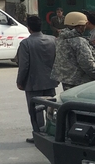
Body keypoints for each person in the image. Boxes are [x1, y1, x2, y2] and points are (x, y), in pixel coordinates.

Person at [16, 15, 58, 143]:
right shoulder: (52, 40)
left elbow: (24, 65)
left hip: (33, 83)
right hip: (51, 81)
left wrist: (20, 82)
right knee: (50, 109)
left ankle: (39, 136)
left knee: (35, 111)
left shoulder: (26, 43)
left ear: (29, 29)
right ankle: (52, 133)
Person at [50, 12, 95, 90]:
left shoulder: (61, 38)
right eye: (84, 25)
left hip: (66, 81)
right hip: (81, 83)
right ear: (80, 26)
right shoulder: (79, 42)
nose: (85, 27)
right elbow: (87, 64)